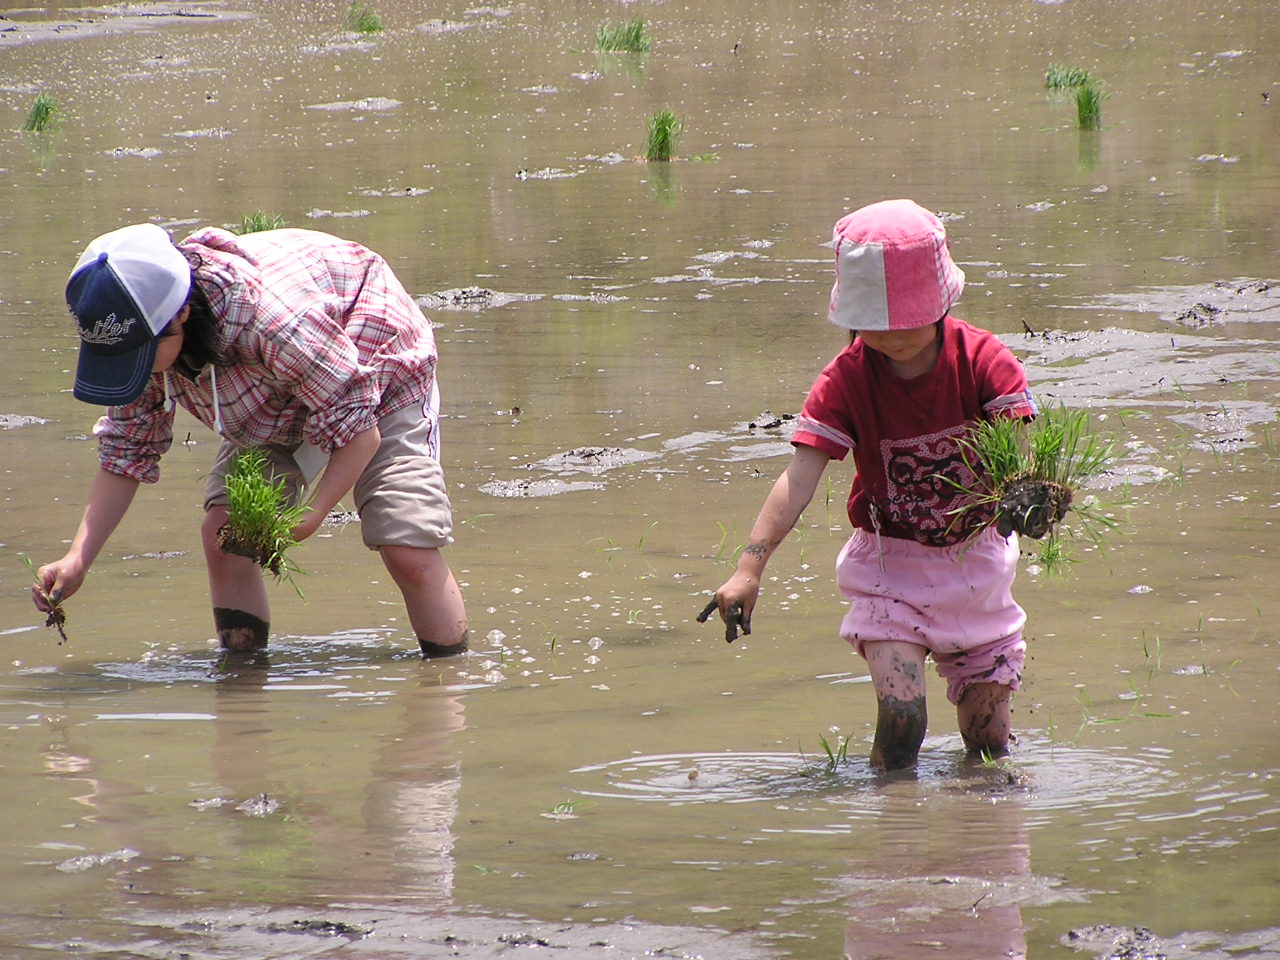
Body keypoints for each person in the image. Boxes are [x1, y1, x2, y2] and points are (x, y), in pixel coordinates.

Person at [700, 199, 1037, 771]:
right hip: (889, 571)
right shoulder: (847, 379)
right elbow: (797, 480)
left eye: (907, 323)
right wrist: (748, 567)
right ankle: (892, 833)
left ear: (942, 303)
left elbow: (1022, 456)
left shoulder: (984, 360)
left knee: (989, 745)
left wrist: (1030, 496)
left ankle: (982, 840)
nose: (894, 338)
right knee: (903, 722)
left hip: (978, 567)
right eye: (877, 328)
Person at [32, 222, 468, 659]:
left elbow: (361, 434)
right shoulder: (139, 346)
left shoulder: (271, 322)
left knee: (405, 544)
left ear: (180, 314)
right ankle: (242, 690)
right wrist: (78, 558)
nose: (136, 370)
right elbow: (127, 453)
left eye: (139, 356)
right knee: (225, 536)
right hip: (272, 397)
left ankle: (447, 683)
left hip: (375, 361)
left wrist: (308, 517)